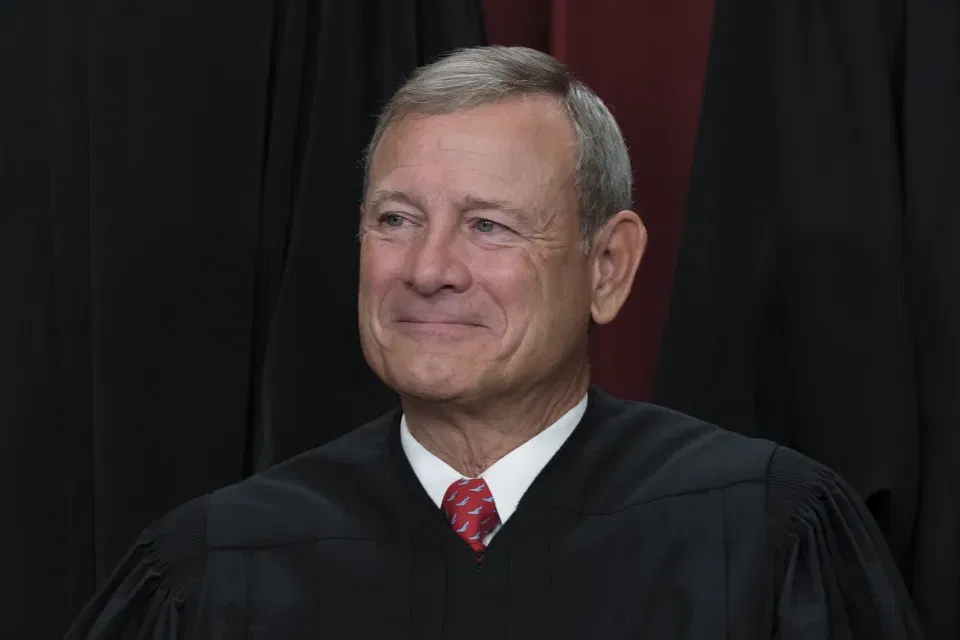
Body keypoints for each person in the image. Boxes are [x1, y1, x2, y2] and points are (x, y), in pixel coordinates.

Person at [66, 46, 922, 639]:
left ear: (608, 266)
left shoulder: (762, 534)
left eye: (488, 225)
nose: (428, 268)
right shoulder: (216, 567)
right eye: (396, 219)